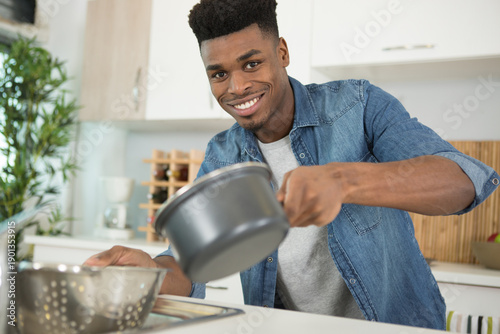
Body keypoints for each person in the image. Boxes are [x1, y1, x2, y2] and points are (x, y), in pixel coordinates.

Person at [84, 0, 499, 330]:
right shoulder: (223, 155)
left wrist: (344, 180)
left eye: (251, 63)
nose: (237, 87)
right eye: (218, 74)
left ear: (281, 53)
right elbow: (190, 266)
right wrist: (152, 273)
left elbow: (464, 180)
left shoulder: (358, 106)